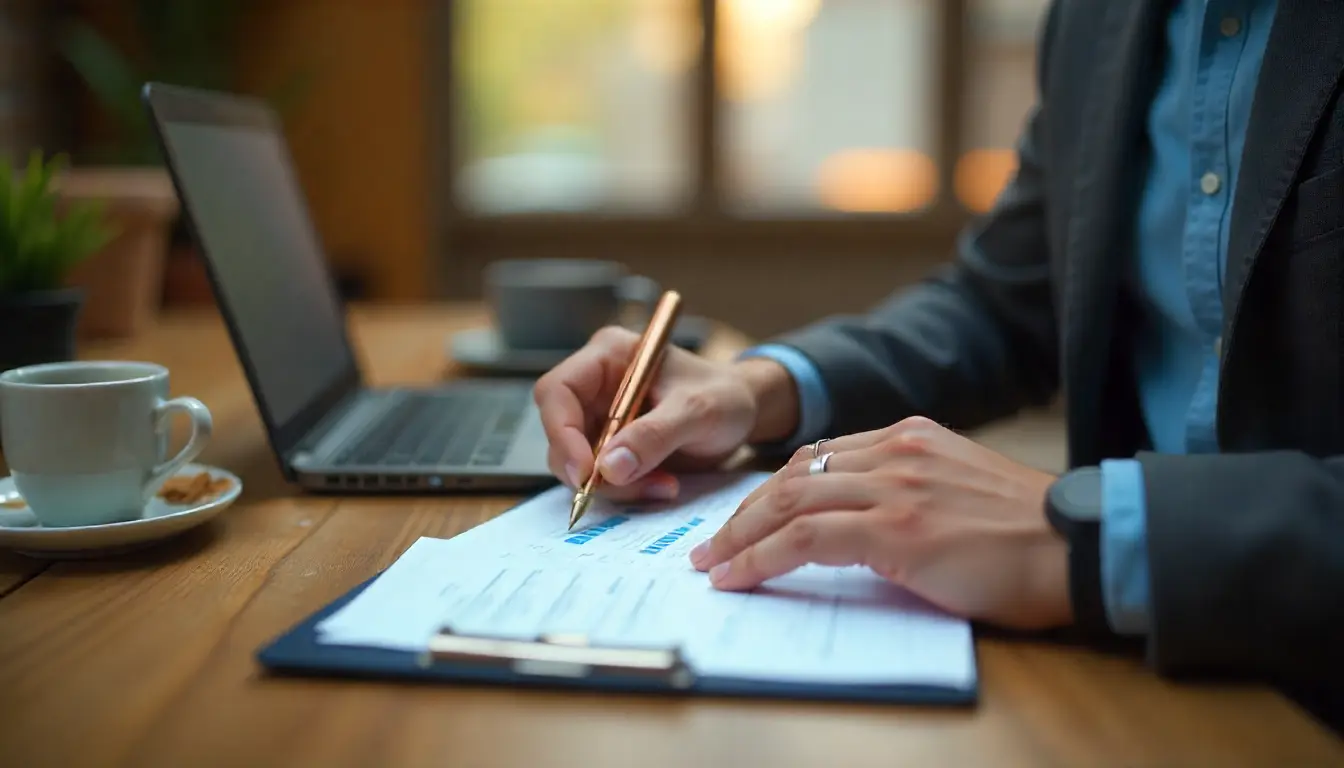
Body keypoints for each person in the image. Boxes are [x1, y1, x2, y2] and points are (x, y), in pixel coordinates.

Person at [533, 0, 1344, 723]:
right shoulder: (1100, 18)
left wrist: (1090, 535)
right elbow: (1011, 300)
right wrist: (755, 389)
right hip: (1120, 687)